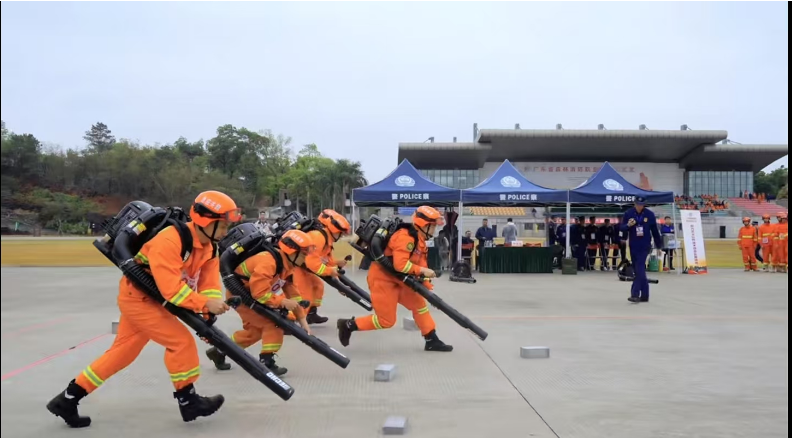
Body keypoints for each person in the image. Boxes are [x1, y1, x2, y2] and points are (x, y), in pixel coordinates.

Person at [47, 191, 242, 428]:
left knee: (121, 354)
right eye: (222, 226)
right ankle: (188, 400)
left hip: (153, 301)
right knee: (180, 343)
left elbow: (208, 284)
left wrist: (209, 310)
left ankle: (67, 399)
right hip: (138, 300)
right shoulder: (170, 240)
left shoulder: (210, 248)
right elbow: (172, 291)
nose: (225, 232)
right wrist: (202, 305)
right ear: (206, 221)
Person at [337, 206, 453, 352]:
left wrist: (426, 285)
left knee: (420, 306)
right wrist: (422, 271)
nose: (435, 229)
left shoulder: (420, 240)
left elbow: (420, 262)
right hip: (382, 280)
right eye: (433, 226)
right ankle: (349, 325)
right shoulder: (405, 237)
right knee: (386, 321)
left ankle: (431, 340)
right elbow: (400, 265)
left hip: (400, 279)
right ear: (424, 225)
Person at [206, 229, 315, 376]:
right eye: (304, 254)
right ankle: (267, 361)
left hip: (252, 296)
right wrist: (282, 302)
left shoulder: (287, 265)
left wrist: (302, 319)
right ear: (292, 251)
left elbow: (293, 293)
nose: (306, 258)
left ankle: (219, 350)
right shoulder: (268, 262)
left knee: (254, 333)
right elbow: (260, 293)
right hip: (242, 296)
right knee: (273, 322)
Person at [292, 209, 350, 324]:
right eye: (341, 233)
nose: (342, 235)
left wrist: (340, 285)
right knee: (304, 295)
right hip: (296, 268)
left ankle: (311, 314)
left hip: (304, 268)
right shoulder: (318, 237)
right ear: (334, 229)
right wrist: (330, 271)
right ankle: (287, 320)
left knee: (318, 286)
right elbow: (312, 263)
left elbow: (328, 262)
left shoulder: (326, 239)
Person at [620, 197, 663, 303]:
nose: (640, 206)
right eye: (638, 204)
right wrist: (628, 225)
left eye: (642, 204)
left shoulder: (649, 215)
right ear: (634, 204)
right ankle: (645, 295)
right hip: (633, 245)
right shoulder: (628, 213)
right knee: (638, 270)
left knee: (639, 268)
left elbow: (655, 231)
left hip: (645, 245)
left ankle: (635, 294)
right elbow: (622, 228)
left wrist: (659, 246)